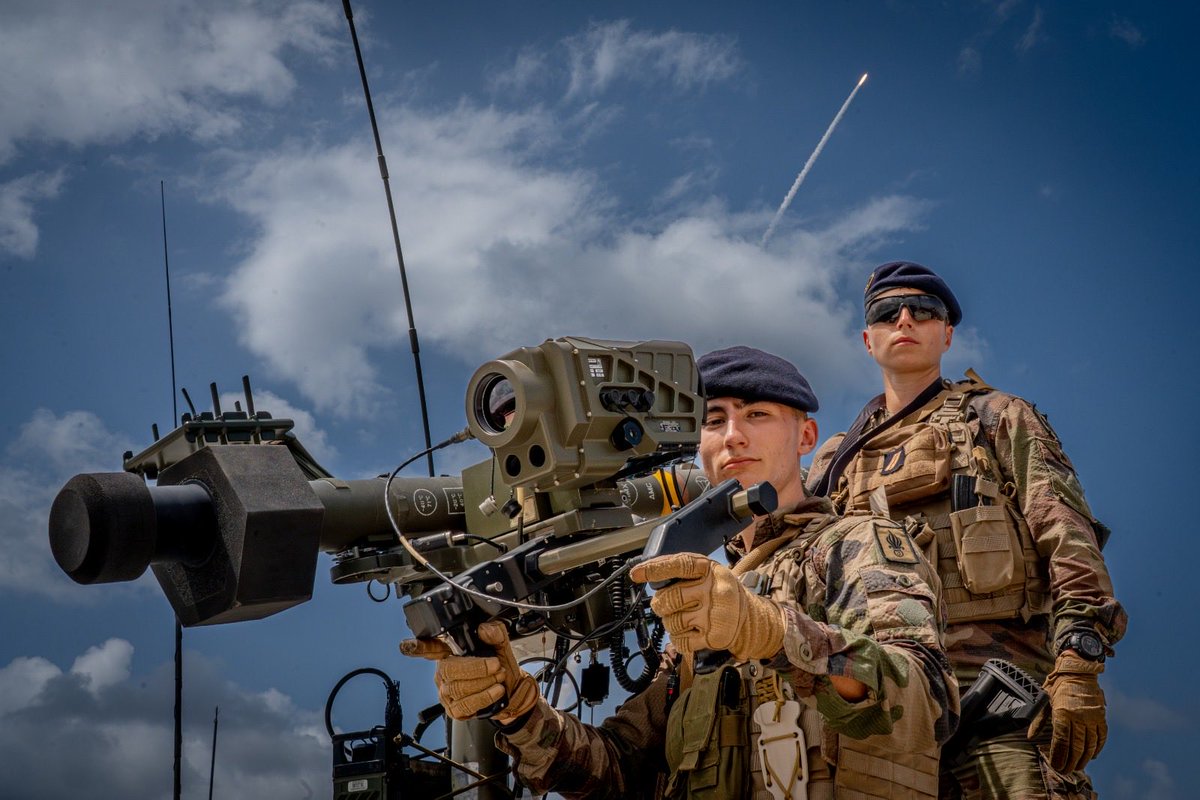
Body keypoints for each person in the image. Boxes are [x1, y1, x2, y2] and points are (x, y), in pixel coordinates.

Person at [402, 345, 958, 799]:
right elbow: (614, 769)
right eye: (715, 420)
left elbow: (926, 703)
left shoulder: (855, 544)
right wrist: (515, 706)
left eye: (757, 415)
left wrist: (773, 633)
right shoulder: (707, 602)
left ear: (806, 437)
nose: (733, 435)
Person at [807, 261, 1127, 799]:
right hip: (881, 714)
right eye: (887, 313)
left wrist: (1079, 659)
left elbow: (1066, 534)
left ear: (947, 333)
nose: (904, 320)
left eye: (923, 310)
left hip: (1000, 705)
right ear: (868, 339)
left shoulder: (997, 416)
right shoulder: (835, 462)